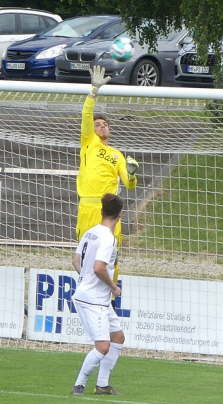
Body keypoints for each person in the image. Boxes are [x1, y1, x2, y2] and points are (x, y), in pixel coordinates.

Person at [77, 65, 139, 279]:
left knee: (110, 255)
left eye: (105, 124)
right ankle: (86, 288)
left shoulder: (116, 155)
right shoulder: (88, 143)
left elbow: (129, 184)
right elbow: (86, 114)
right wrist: (93, 92)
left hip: (109, 211)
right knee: (85, 255)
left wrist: (131, 174)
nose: (102, 126)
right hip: (87, 207)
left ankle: (110, 295)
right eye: (98, 124)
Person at [71, 193, 125, 396]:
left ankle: (102, 384)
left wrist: (85, 279)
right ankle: (79, 384)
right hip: (93, 299)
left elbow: (76, 260)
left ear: (102, 211)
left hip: (95, 297)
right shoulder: (108, 238)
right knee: (103, 346)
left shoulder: (90, 232)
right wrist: (113, 287)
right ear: (120, 214)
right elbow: (99, 267)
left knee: (118, 337)